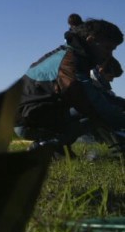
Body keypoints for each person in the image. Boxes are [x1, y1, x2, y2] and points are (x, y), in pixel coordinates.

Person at [17, 14, 125, 149]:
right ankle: (47, 145)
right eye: (108, 48)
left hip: (31, 115)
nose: (110, 55)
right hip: (28, 121)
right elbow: (89, 100)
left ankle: (55, 148)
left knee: (95, 110)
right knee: (94, 113)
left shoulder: (73, 56)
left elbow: (96, 94)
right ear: (91, 40)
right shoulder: (70, 61)